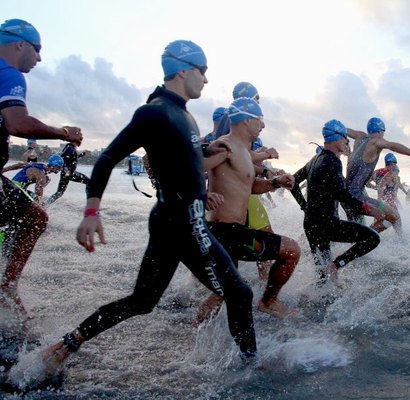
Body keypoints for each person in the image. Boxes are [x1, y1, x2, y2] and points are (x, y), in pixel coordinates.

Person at [39, 40, 258, 380]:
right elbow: (110, 156)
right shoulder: (155, 111)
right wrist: (91, 212)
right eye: (203, 72)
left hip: (176, 221)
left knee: (142, 301)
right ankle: (250, 370)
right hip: (183, 222)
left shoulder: (184, 115)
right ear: (183, 70)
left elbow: (184, 157)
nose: (206, 80)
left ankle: (66, 345)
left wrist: (204, 147)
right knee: (239, 293)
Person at [0, 18, 83, 312]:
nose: (39, 58)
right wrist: (64, 132)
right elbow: (19, 123)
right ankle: (7, 289)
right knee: (36, 218)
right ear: (20, 44)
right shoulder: (8, 73)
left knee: (34, 216)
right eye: (37, 50)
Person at [195, 97, 300, 323]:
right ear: (246, 120)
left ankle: (193, 331)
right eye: (260, 120)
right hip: (224, 232)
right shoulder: (223, 146)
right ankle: (268, 302)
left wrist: (277, 183)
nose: (263, 125)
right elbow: (187, 169)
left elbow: (249, 187)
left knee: (222, 293)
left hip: (233, 230)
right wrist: (200, 195)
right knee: (291, 250)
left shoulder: (241, 151)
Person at [290, 119, 387, 287]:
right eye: (346, 140)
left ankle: (321, 293)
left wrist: (304, 206)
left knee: (322, 275)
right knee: (372, 238)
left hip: (311, 223)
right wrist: (369, 209)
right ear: (339, 138)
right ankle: (337, 265)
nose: (346, 144)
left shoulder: (315, 159)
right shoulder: (333, 161)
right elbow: (341, 194)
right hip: (327, 223)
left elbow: (292, 183)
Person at [343, 117, 410, 234]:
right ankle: (369, 236)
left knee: (355, 230)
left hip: (343, 196)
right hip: (357, 197)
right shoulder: (376, 141)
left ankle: (358, 242)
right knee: (394, 216)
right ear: (381, 131)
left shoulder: (359, 136)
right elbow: (392, 146)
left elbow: (341, 129)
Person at [45, 140, 90, 205]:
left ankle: (46, 203)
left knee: (59, 193)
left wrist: (81, 155)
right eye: (79, 140)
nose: (80, 142)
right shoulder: (70, 148)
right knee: (89, 182)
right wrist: (66, 169)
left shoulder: (69, 147)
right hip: (68, 173)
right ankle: (90, 203)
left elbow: (72, 159)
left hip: (66, 173)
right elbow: (63, 158)